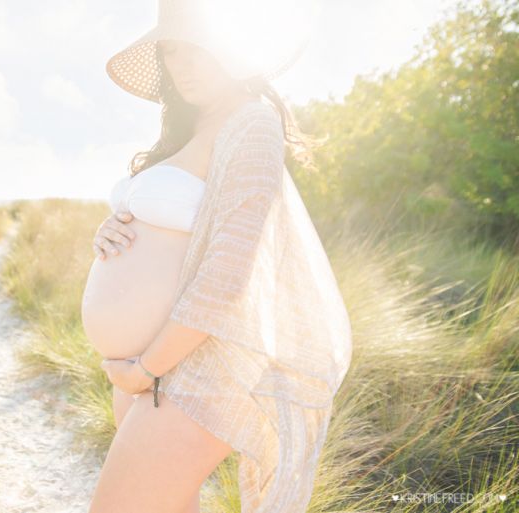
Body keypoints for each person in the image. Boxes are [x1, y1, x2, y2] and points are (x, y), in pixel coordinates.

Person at [89, 1, 353, 512]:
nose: (181, 65)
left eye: (194, 49)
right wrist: (113, 230)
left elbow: (228, 272)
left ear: (230, 48)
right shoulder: (187, 132)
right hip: (154, 367)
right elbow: (177, 225)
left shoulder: (251, 124)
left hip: (195, 369)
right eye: (170, 53)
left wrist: (147, 367)